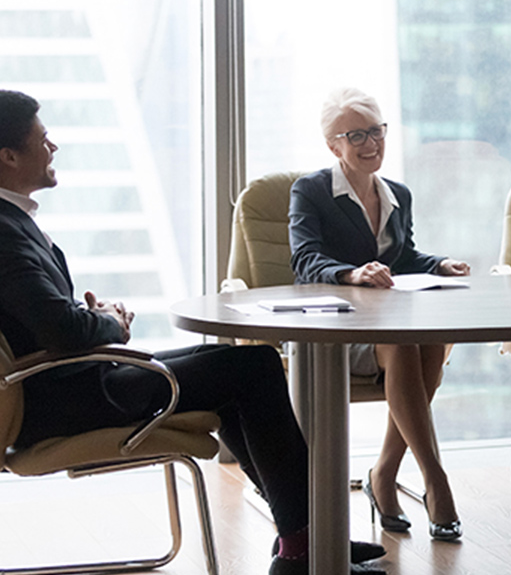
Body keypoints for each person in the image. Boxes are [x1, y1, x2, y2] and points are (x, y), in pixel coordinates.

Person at [0, 89, 384, 575]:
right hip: (64, 398)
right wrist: (111, 323)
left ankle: (303, 537)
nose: (53, 148)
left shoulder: (13, 223)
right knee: (252, 367)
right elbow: (63, 332)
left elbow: (44, 320)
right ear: (8, 156)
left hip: (69, 381)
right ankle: (304, 541)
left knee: (244, 366)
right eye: (43, 139)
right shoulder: (6, 233)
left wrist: (92, 319)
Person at [288, 88, 469, 541]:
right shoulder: (311, 192)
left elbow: (403, 257)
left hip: (388, 329)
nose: (371, 143)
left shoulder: (397, 195)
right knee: (405, 342)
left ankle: (384, 473)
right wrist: (351, 273)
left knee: (432, 340)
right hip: (332, 333)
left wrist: (438, 264)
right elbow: (305, 260)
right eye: (356, 136)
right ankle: (435, 479)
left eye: (376, 131)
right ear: (334, 146)